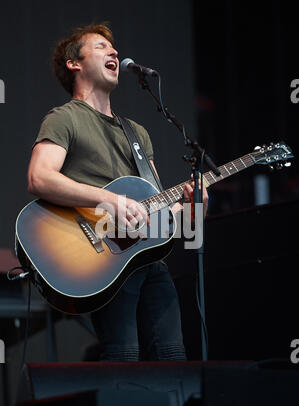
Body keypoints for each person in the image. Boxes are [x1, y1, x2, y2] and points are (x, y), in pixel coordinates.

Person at [27, 23, 209, 361]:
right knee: (123, 359)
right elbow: (39, 178)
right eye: (100, 47)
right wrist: (108, 198)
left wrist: (192, 209)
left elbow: (160, 209)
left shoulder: (136, 132)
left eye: (113, 48)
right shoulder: (64, 118)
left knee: (173, 358)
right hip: (103, 256)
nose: (114, 52)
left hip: (149, 259)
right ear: (74, 64)